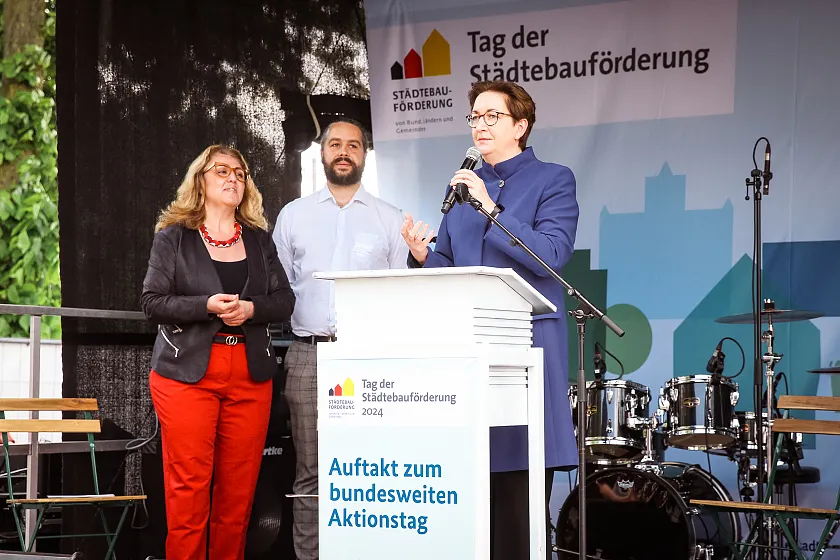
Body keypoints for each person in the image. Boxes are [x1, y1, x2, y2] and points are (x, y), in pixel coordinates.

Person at [400, 80, 579, 559]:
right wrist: (423, 256)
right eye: (474, 116)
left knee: (517, 516)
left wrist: (491, 208)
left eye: (491, 116)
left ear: (520, 126)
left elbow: (551, 255)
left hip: (524, 353)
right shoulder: (460, 186)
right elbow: (450, 266)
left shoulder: (552, 179)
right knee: (469, 517)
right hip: (467, 357)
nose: (479, 124)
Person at [141, 144, 296, 560]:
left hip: (249, 372)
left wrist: (251, 309)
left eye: (240, 173)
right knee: (188, 488)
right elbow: (152, 303)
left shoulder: (259, 241)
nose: (233, 178)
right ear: (201, 180)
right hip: (186, 375)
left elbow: (285, 300)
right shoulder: (173, 238)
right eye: (222, 171)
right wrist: (205, 305)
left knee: (238, 492)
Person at [272, 118, 408, 560]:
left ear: (365, 154)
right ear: (323, 152)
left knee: (369, 468)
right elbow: (277, 290)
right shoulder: (293, 215)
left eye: (354, 145)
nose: (344, 151)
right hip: (307, 356)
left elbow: (402, 294)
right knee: (311, 472)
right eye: (335, 144)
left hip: (370, 360)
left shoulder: (390, 218)